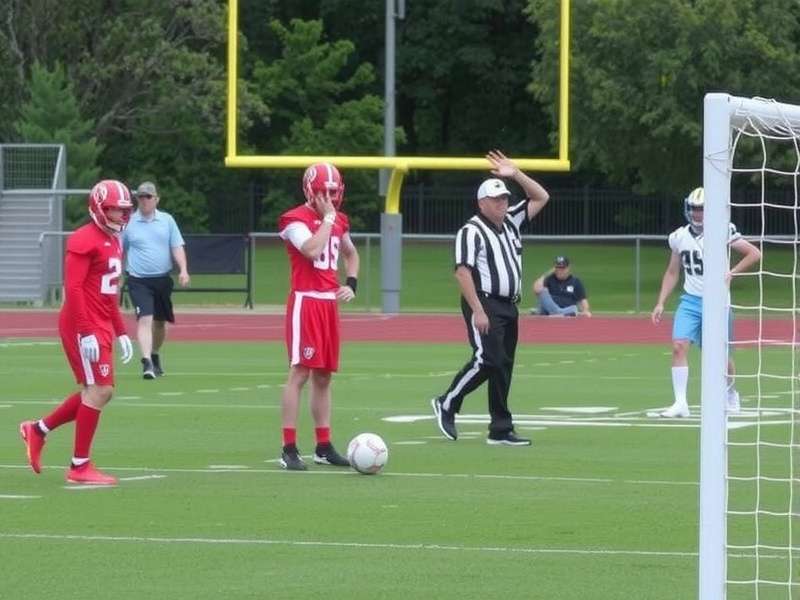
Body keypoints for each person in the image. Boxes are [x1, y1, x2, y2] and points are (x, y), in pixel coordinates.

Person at [431, 150, 550, 446]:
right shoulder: (471, 231)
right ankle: (447, 402)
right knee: (488, 359)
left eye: (505, 198)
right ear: (482, 203)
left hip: (509, 304)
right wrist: (478, 310)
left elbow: (541, 197)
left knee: (503, 365)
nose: (503, 204)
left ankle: (500, 428)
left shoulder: (511, 222)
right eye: (497, 200)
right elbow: (462, 272)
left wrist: (516, 174)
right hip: (483, 302)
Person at [19, 180, 135, 485]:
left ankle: (39, 430)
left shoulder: (113, 240)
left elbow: (108, 293)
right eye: (114, 210)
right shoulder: (85, 239)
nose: (121, 216)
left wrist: (121, 330)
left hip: (100, 321)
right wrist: (85, 332)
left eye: (124, 211)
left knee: (98, 391)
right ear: (98, 207)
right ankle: (78, 465)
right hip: (82, 323)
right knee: (99, 391)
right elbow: (73, 289)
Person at [276, 162, 360, 470]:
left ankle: (323, 445)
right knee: (299, 373)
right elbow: (311, 250)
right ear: (310, 191)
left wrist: (351, 282)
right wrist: (326, 220)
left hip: (328, 304)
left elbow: (350, 252)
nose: (329, 197)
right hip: (306, 301)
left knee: (324, 377)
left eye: (333, 192)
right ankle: (288, 448)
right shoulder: (294, 218)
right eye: (323, 191)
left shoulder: (338, 220)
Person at [651, 187, 761, 417]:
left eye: (701, 209)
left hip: (718, 302)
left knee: (720, 356)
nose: (697, 213)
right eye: (694, 208)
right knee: (678, 346)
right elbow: (673, 272)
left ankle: (731, 393)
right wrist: (661, 302)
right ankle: (680, 402)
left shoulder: (723, 230)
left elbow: (754, 253)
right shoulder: (679, 236)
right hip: (690, 300)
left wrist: (731, 272)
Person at [122, 181, 190, 379]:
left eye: (148, 197)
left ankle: (154, 353)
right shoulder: (129, 223)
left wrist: (183, 269)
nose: (144, 201)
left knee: (159, 323)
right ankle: (146, 362)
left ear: (156, 199)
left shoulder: (167, 221)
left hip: (161, 279)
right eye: (141, 197)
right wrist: (117, 273)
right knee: (145, 318)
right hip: (138, 279)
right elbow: (120, 249)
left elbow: (177, 246)